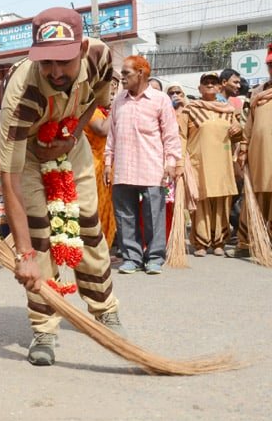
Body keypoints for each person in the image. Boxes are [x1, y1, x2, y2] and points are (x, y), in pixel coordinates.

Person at [0, 7, 124, 366]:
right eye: (46, 62)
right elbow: (9, 176)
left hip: (72, 140)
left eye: (64, 62)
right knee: (40, 237)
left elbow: (98, 104)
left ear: (82, 50)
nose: (55, 72)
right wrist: (23, 255)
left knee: (87, 224)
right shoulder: (21, 94)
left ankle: (105, 309)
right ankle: (44, 329)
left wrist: (73, 135)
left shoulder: (100, 58)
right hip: (30, 155)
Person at [105, 55, 182, 275]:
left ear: (141, 73)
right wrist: (108, 163)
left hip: (152, 166)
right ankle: (132, 257)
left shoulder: (160, 100)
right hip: (122, 168)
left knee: (153, 214)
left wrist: (171, 162)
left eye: (126, 73)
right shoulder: (119, 101)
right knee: (125, 214)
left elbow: (170, 135)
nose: (122, 78)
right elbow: (112, 135)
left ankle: (155, 257)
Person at [179, 72, 241, 257]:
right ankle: (201, 242)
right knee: (201, 201)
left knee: (222, 201)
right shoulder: (190, 109)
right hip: (199, 163)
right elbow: (181, 136)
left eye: (213, 83)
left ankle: (219, 241)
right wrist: (180, 161)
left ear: (220, 87)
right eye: (205, 83)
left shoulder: (228, 110)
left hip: (222, 164)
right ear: (199, 88)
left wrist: (238, 130)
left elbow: (239, 135)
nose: (210, 85)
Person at [233, 43, 272, 257]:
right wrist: (243, 149)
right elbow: (247, 123)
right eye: (270, 65)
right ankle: (247, 243)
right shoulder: (257, 92)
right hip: (258, 155)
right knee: (253, 196)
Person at [83, 72, 119, 248]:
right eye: (109, 89)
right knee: (97, 209)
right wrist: (116, 109)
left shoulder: (103, 110)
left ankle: (105, 246)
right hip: (94, 165)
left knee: (108, 210)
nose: (112, 92)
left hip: (108, 164)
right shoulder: (93, 110)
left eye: (115, 87)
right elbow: (102, 130)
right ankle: (96, 248)